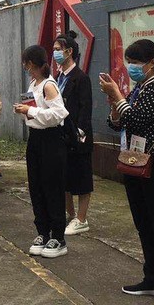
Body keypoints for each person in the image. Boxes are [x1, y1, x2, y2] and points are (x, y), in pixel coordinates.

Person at [101, 39, 154, 305]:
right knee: (144, 224)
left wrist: (118, 95)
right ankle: (153, 278)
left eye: (136, 63)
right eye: (130, 62)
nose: (132, 67)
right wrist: (114, 103)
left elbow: (135, 119)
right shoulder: (140, 87)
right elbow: (119, 123)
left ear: (152, 63)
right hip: (135, 162)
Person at [15, 45, 69, 259]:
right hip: (35, 138)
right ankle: (43, 232)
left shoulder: (48, 84)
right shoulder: (33, 84)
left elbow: (59, 114)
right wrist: (25, 111)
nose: (25, 67)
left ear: (32, 63)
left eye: (26, 63)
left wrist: (31, 110)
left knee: (52, 187)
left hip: (51, 140)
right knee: (36, 187)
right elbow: (35, 113)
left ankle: (58, 236)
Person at [53, 31, 94, 236]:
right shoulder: (58, 77)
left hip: (78, 136)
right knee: (64, 178)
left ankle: (81, 218)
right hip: (62, 135)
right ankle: (69, 214)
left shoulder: (81, 78)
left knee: (82, 178)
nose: (55, 53)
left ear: (69, 52)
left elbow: (86, 109)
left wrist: (80, 133)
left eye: (58, 50)